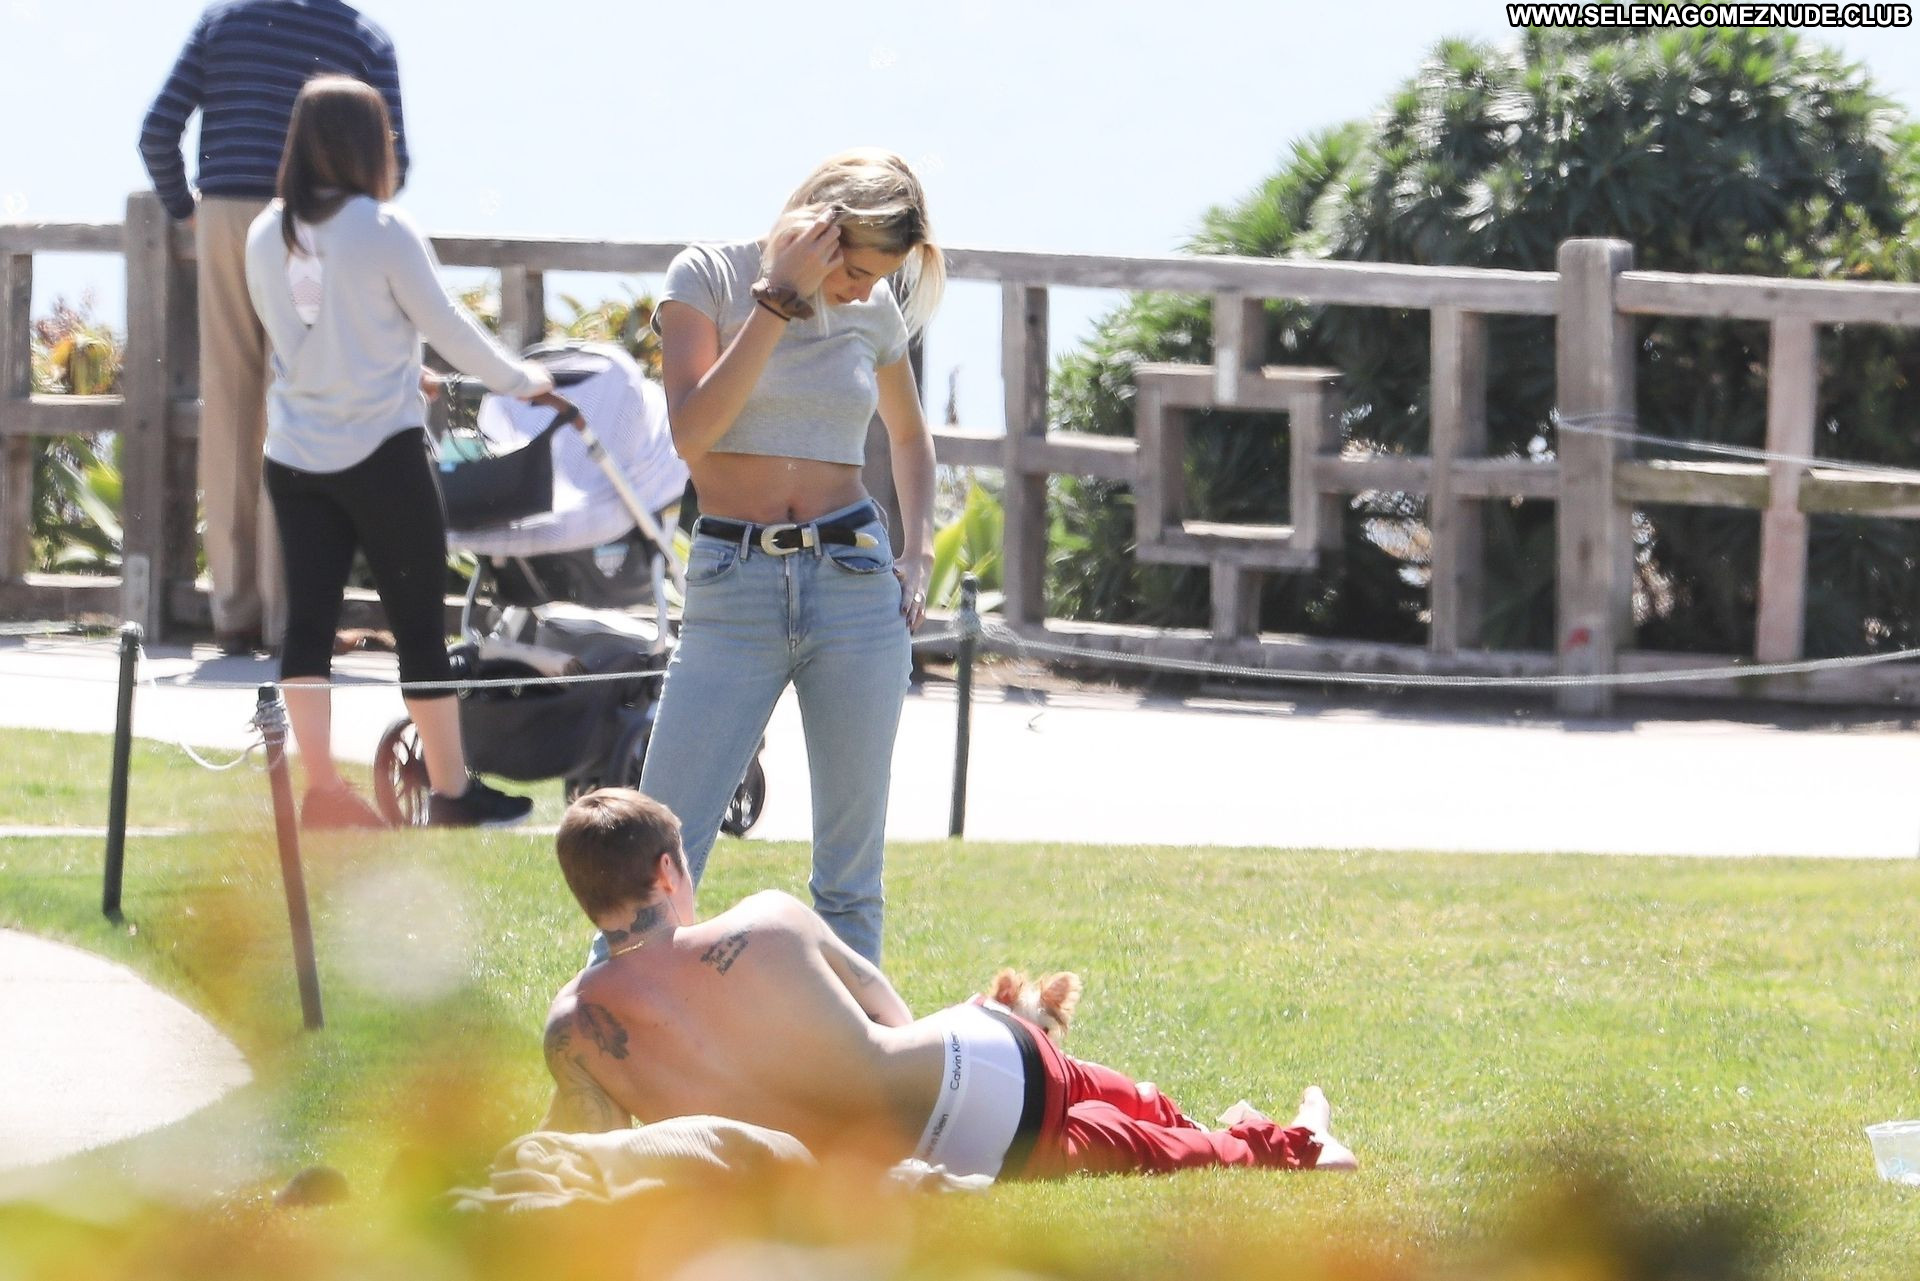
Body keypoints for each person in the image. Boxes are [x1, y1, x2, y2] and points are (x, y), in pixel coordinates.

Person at [542, 789, 1358, 1179]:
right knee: (1115, 1107)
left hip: (936, 1151)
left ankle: (1249, 1131)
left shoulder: (574, 1030)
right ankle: (1304, 1143)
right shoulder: (764, 919)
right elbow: (885, 1005)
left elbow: (599, 1146)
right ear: (667, 870)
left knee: (1123, 1134)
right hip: (977, 1068)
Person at [638, 148, 947, 964]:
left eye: (879, 278)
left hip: (853, 586)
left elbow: (909, 439)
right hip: (731, 588)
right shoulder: (706, 277)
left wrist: (918, 554)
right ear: (821, 229)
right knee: (655, 863)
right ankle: (608, 1036)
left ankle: (852, 1048)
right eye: (856, 270)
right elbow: (693, 432)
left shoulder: (873, 313)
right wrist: (776, 299)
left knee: (850, 883)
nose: (862, 290)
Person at [243, 75, 547, 829]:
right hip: (381, 456)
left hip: (296, 457)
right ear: (367, 145)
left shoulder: (265, 233)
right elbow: (446, 325)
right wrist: (522, 381)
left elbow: (312, 336)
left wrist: (401, 367)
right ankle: (451, 791)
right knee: (417, 624)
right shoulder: (381, 228)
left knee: (308, 622)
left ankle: (322, 793)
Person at [140, 0, 409, 658]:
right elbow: (393, 165)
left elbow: (157, 132)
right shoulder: (362, 36)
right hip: (314, 225)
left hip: (225, 217)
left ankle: (233, 610)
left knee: (229, 408)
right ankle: (292, 621)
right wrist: (356, 228)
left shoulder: (221, 22)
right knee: (298, 405)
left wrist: (187, 211)